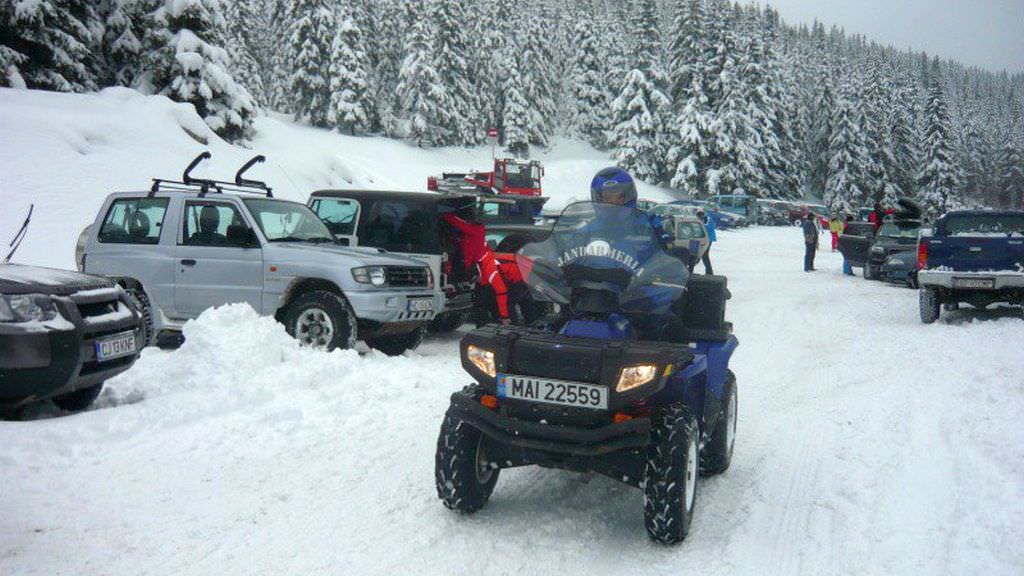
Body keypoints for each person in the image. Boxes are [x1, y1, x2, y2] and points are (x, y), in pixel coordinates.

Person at [441, 207, 511, 325]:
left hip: (511, 283)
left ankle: (497, 324)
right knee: (481, 303)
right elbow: (464, 235)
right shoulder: (473, 239)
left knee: (487, 304)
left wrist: (505, 316)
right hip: (484, 275)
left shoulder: (491, 271)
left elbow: (502, 291)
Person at [696, 209, 715, 275]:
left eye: (701, 215)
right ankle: (709, 271)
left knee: (704, 254)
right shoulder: (701, 220)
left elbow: (709, 227)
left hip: (709, 239)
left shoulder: (708, 219)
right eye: (698, 215)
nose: (700, 216)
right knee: (703, 254)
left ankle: (709, 272)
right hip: (704, 239)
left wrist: (701, 224)